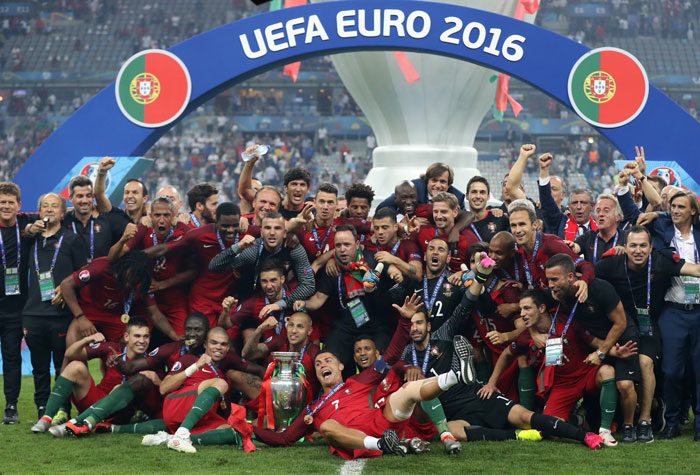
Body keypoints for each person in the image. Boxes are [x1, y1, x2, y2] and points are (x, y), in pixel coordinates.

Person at [399, 253, 602, 448]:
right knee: (452, 432)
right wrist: (407, 367)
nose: (415, 328)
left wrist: (480, 276)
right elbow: (398, 375)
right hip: (448, 410)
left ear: (428, 325)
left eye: (419, 323)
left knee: (524, 417)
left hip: (474, 395)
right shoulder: (406, 354)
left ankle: (585, 436)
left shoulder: (443, 334)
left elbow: (465, 305)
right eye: (411, 324)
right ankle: (517, 435)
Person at [253, 343, 474, 459]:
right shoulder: (314, 408)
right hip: (359, 440)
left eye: (327, 361)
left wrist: (404, 323)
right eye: (318, 364)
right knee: (328, 425)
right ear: (316, 374)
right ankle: (385, 445)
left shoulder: (357, 381)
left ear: (340, 366)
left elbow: (389, 360)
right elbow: (285, 439)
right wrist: (252, 430)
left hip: (382, 422)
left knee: (407, 391)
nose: (322, 365)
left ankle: (456, 376)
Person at [481, 289, 638, 447]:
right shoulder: (527, 336)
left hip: (585, 372)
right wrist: (491, 383)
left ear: (541, 308)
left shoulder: (567, 322)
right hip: (562, 386)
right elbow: (507, 354)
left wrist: (615, 352)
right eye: (521, 309)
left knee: (607, 371)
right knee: (550, 430)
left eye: (527, 308)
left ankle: (605, 431)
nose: (522, 313)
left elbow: (596, 342)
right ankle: (577, 419)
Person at [596, 225, 700, 442]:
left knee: (645, 363)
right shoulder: (612, 264)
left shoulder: (661, 261)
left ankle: (645, 421)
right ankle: (625, 420)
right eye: (633, 245)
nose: (638, 250)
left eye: (643, 245)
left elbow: (695, 270)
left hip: (650, 326)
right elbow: (586, 271)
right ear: (624, 247)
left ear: (651, 247)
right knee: (624, 376)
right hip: (623, 329)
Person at [544, 253, 639, 442]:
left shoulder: (599, 289)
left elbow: (620, 323)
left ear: (571, 277)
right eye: (548, 280)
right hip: (598, 342)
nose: (550, 285)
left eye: (554, 279)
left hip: (623, 339)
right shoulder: (560, 296)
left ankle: (630, 425)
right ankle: (584, 418)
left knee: (625, 384)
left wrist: (602, 352)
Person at [293, 224, 392, 377]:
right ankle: (337, 396)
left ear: (358, 245)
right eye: (338, 245)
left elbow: (397, 277)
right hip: (347, 328)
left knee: (380, 366)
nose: (342, 249)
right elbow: (319, 299)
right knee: (328, 359)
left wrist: (395, 271)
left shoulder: (373, 261)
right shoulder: (333, 268)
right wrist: (304, 304)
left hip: (376, 326)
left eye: (347, 244)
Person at [31, 318, 151, 434]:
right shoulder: (112, 348)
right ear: (126, 337)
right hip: (96, 399)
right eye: (137, 336)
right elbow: (69, 354)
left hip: (119, 410)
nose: (142, 341)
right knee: (76, 366)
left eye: (146, 336)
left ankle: (81, 422)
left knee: (123, 389)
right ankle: (46, 419)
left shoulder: (153, 360)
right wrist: (87, 340)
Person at [144, 327, 255, 453]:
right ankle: (182, 434)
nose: (218, 347)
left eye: (223, 344)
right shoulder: (189, 360)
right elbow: (163, 388)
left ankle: (173, 438)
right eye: (214, 343)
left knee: (234, 431)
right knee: (220, 383)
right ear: (205, 344)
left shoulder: (224, 378)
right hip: (177, 405)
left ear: (228, 348)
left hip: (200, 419)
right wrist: (194, 367)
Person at [646, 191, 700, 440]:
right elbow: (651, 207)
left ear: (693, 212)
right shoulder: (663, 231)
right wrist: (657, 211)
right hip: (672, 310)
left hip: (698, 311)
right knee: (670, 370)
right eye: (673, 206)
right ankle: (672, 421)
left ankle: (699, 423)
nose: (676, 210)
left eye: (681, 206)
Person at [22, 193, 82, 420]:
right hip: (33, 312)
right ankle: (41, 408)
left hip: (60, 314)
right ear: (39, 211)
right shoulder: (31, 239)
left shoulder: (72, 239)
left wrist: (66, 291)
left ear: (63, 211)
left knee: (61, 365)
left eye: (54, 206)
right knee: (38, 367)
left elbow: (82, 274)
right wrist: (28, 230)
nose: (49, 210)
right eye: (45, 206)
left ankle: (62, 408)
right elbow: (20, 232)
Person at [108, 196, 195, 336]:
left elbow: (194, 270)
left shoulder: (184, 232)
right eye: (157, 215)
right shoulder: (144, 229)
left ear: (174, 216)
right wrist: (123, 239)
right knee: (138, 340)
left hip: (174, 298)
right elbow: (112, 258)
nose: (161, 220)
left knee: (183, 337)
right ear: (150, 216)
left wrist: (163, 284)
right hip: (145, 296)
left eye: (166, 215)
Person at [60, 251, 179, 345]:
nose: (130, 283)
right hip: (89, 310)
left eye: (136, 279)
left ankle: (113, 372)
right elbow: (66, 285)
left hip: (117, 316)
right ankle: (68, 372)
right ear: (124, 267)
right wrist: (80, 317)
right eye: (130, 276)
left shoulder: (142, 283)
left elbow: (155, 314)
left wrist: (174, 335)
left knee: (131, 344)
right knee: (73, 345)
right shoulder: (102, 266)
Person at [209, 211, 315, 310]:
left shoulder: (294, 248)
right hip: (250, 305)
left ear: (285, 233)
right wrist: (238, 246)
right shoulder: (252, 251)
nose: (272, 233)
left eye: (277, 228)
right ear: (261, 232)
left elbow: (309, 285)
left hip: (281, 305)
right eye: (268, 228)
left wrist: (282, 304)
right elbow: (214, 267)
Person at [0, 182, 38, 423]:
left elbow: (59, 212)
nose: (5, 206)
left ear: (19, 206)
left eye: (10, 202)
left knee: (12, 357)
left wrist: (39, 224)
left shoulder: (26, 224)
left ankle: (11, 407)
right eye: (2, 202)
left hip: (15, 308)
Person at [507, 199, 594, 294]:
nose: (517, 230)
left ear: (535, 224)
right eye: (513, 226)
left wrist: (583, 281)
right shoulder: (518, 251)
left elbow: (586, 266)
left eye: (522, 224)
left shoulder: (551, 244)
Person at [61, 174, 128, 266]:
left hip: (102, 277)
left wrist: (145, 214)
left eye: (88, 196)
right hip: (72, 277)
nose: (85, 201)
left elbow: (131, 225)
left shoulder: (106, 219)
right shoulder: (63, 221)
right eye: (80, 196)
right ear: (71, 198)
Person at [377, 162, 466, 213]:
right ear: (427, 181)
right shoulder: (413, 188)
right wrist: (402, 219)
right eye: (434, 180)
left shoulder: (457, 197)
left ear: (449, 185)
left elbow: (466, 216)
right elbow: (382, 208)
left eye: (442, 182)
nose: (438, 186)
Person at [569, 194, 626, 264]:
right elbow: (575, 247)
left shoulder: (626, 237)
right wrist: (570, 246)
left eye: (606, 211)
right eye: (598, 211)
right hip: (594, 275)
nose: (601, 214)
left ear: (618, 217)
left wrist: (627, 251)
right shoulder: (589, 237)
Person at [371, 207, 422, 283]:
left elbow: (418, 275)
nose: (380, 232)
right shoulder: (371, 245)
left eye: (385, 227)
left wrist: (394, 260)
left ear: (395, 227)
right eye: (376, 228)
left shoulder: (408, 245)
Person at [94, 157, 149, 225]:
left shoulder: (153, 220)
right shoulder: (116, 216)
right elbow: (99, 194)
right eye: (126, 192)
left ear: (144, 198)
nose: (129, 196)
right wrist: (102, 172)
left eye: (135, 192)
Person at [461, 176, 509, 244]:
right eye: (474, 192)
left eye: (482, 192)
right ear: (467, 196)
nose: (478, 196)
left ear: (488, 196)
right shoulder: (460, 223)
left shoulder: (499, 218)